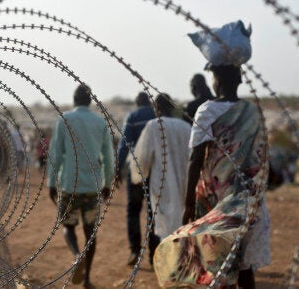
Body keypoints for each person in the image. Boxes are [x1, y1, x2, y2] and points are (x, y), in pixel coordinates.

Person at [154, 64, 270, 288]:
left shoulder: (208, 110)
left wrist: (188, 203)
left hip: (217, 201)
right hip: (249, 199)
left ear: (217, 81)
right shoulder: (254, 112)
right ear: (239, 80)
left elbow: (196, 157)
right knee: (245, 269)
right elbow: (263, 155)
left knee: (219, 267)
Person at [47, 84, 114, 289]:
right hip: (92, 185)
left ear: (74, 100)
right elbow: (108, 157)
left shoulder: (64, 120)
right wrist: (107, 183)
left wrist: (51, 182)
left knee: (67, 225)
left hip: (69, 183)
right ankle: (86, 279)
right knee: (90, 232)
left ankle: (77, 255)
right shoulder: (100, 122)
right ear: (90, 101)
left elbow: (56, 154)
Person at [130, 93, 191, 266]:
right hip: (185, 182)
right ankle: (181, 263)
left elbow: (141, 159)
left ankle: (169, 267)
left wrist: (139, 176)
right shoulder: (185, 127)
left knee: (164, 225)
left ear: (156, 108)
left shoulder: (153, 126)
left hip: (162, 183)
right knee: (182, 222)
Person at [116, 91, 156, 266]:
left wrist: (118, 168)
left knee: (133, 210)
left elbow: (124, 145)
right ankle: (154, 253)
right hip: (155, 169)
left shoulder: (132, 117)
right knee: (152, 211)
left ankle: (134, 250)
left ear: (137, 102)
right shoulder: (157, 115)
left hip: (137, 169)